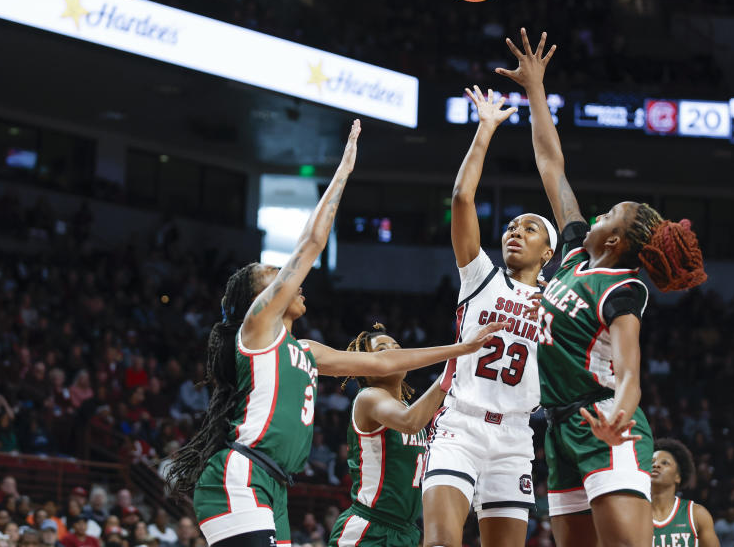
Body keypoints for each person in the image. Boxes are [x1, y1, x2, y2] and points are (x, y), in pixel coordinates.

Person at [166, 121, 497, 547]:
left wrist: (463, 348)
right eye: (277, 276)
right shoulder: (257, 328)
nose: (293, 281)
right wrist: (343, 169)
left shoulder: (306, 350)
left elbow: (381, 363)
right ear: (260, 298)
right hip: (241, 473)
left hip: (275, 484)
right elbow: (310, 243)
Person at [497, 28, 707, 547]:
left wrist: (617, 417)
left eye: (611, 212)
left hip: (605, 423)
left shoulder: (623, 288)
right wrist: (535, 90)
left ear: (614, 239)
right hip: (560, 430)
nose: (599, 209)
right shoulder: (570, 252)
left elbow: (631, 371)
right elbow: (551, 163)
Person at [422, 84, 556, 547]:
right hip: (461, 425)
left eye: (530, 228)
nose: (515, 231)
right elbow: (462, 197)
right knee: (440, 542)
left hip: (516, 438)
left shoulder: (557, 300)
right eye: (512, 226)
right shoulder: (482, 275)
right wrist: (484, 130)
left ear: (549, 251)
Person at [328, 322, 505, 547]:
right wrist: (452, 367)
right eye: (382, 350)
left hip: (406, 531)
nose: (394, 352)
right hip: (369, 528)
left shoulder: (406, 406)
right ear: (365, 367)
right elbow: (409, 422)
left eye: (397, 346)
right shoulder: (368, 397)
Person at [651, 439, 719, 547]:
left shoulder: (697, 514)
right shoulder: (635, 514)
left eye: (664, 463)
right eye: (652, 462)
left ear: (678, 476)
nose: (656, 465)